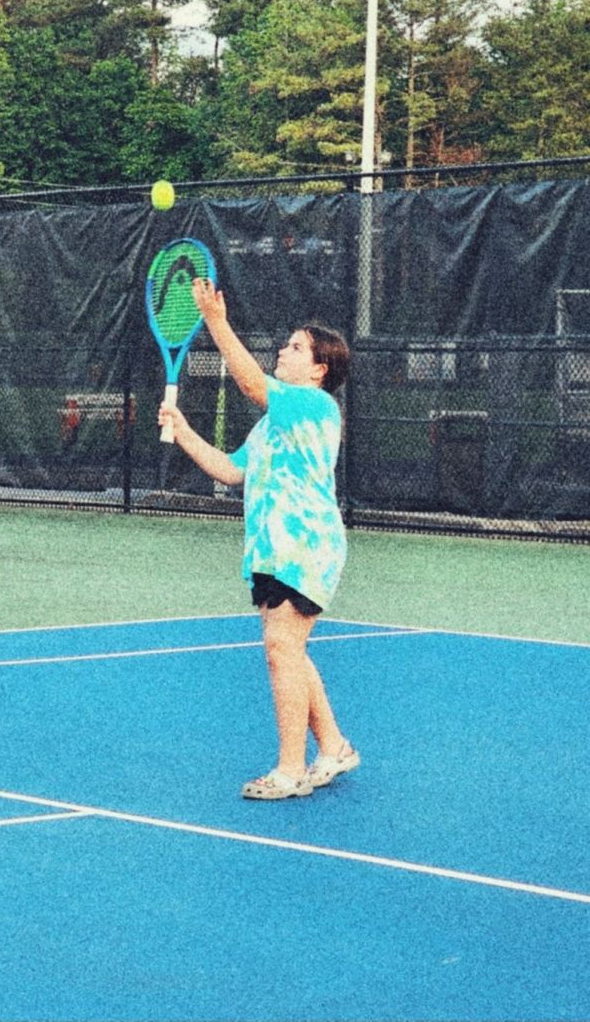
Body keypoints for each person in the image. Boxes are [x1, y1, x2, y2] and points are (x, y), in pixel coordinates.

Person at [158, 276, 359, 800]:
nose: (283, 351)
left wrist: (216, 321)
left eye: (296, 348)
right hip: (271, 549)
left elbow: (251, 384)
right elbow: (230, 470)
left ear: (319, 369)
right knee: (288, 650)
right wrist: (183, 430)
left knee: (280, 648)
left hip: (307, 547)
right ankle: (334, 746)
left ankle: (291, 770)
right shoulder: (272, 426)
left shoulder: (315, 406)